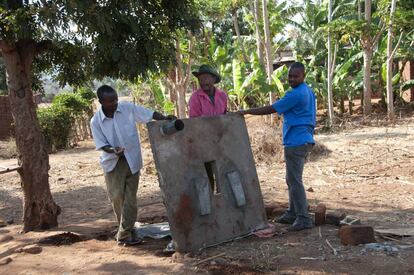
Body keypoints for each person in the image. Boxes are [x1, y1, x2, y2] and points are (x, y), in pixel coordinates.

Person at [90, 85, 175, 245]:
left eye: (116, 99)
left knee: (130, 199)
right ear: (101, 102)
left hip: (131, 159)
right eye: (110, 101)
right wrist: (113, 150)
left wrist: (163, 118)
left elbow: (148, 114)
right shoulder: (96, 121)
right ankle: (128, 229)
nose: (115, 102)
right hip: (113, 163)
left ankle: (124, 234)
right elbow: (101, 144)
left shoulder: (127, 108)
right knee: (116, 198)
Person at [237, 62, 316, 231]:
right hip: (303, 139)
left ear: (303, 76)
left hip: (297, 140)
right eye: (290, 76)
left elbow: (272, 108)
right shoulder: (307, 91)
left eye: (296, 76)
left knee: (295, 181)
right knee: (292, 180)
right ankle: (293, 213)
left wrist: (246, 111)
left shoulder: (296, 94)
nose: (292, 79)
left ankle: (303, 218)